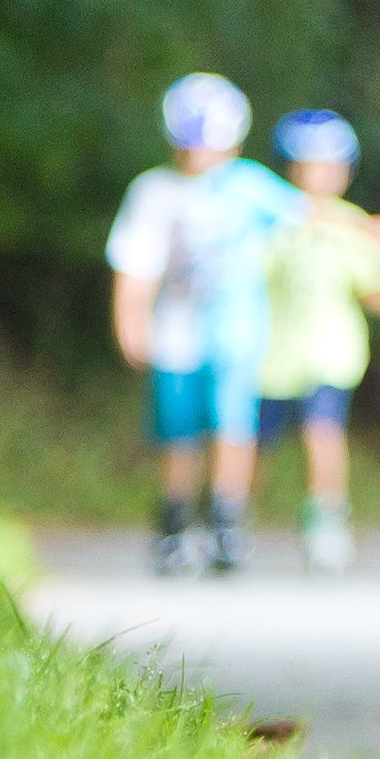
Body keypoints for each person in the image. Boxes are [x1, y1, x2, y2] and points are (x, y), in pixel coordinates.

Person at [107, 73, 299, 578]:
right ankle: (174, 518)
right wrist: (130, 318)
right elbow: (136, 262)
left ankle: (227, 516)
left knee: (234, 424)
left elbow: (310, 221)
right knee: (178, 432)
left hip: (237, 331)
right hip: (174, 333)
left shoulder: (251, 186)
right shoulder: (153, 192)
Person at [254, 108, 380, 579]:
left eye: (331, 166)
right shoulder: (269, 217)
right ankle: (232, 517)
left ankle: (326, 521)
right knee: (252, 441)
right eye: (308, 165)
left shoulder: (353, 225)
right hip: (268, 357)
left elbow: (374, 288)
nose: (320, 176)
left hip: (329, 355)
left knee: (322, 433)